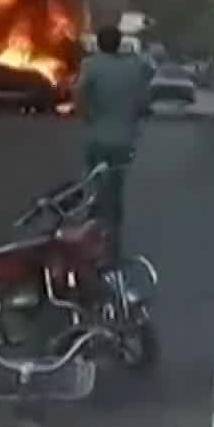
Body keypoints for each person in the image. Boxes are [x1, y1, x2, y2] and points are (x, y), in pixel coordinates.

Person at [72, 24, 154, 257]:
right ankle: (113, 237)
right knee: (116, 187)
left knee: (96, 183)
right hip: (124, 141)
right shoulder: (135, 67)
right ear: (120, 43)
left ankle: (93, 231)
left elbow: (79, 91)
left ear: (99, 43)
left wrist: (85, 112)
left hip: (97, 137)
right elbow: (144, 100)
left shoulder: (91, 65)